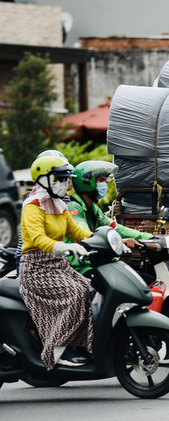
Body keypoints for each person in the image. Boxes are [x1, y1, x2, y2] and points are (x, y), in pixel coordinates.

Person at [19, 155, 95, 368]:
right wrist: (63, 247)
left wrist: (104, 237)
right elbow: (37, 238)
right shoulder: (32, 206)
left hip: (58, 266)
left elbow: (77, 232)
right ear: (44, 179)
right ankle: (57, 350)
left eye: (65, 179)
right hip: (36, 269)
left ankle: (80, 344)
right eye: (60, 179)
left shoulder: (59, 205)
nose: (65, 184)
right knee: (76, 295)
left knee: (90, 290)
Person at [65, 161, 152, 276]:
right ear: (86, 182)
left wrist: (150, 237)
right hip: (81, 268)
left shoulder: (94, 209)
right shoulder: (74, 208)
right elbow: (85, 236)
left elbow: (115, 228)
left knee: (146, 279)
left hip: (98, 263)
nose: (104, 185)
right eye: (101, 181)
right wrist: (119, 241)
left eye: (105, 181)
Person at [15, 149, 70, 272]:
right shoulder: (34, 201)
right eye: (58, 176)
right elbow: (39, 238)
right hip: (33, 260)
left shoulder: (62, 197)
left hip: (54, 256)